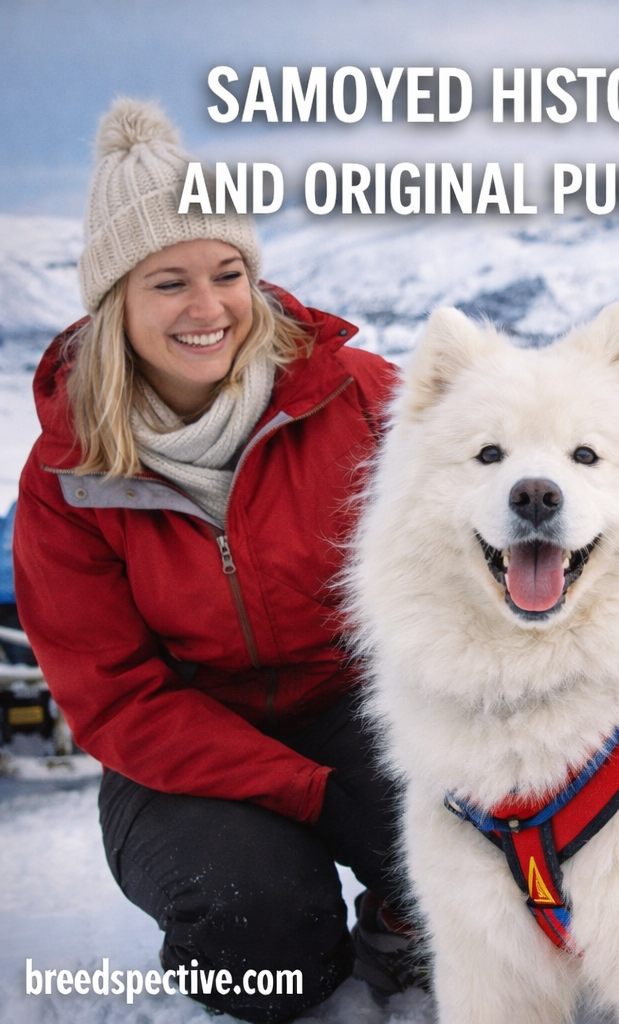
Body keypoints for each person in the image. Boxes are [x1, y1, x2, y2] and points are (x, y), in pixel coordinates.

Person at [12, 99, 422, 1022]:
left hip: (358, 705)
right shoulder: (67, 477)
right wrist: (315, 797)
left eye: (228, 274)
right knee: (258, 938)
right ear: (115, 301)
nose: (208, 310)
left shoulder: (358, 399)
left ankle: (407, 919)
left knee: (507, 853)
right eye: (169, 283)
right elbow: (117, 699)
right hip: (181, 750)